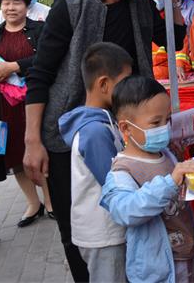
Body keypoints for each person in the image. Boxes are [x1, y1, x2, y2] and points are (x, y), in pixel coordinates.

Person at [23, 0, 186, 282]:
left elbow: (173, 38)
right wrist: (32, 140)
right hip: (73, 134)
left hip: (129, 131)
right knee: (78, 225)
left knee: (133, 215)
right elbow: (41, 73)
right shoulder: (70, 5)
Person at [100, 75, 194, 283]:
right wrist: (170, 182)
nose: (164, 127)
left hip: (184, 256)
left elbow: (179, 208)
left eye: (167, 119)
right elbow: (125, 210)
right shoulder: (122, 170)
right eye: (155, 122)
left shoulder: (165, 154)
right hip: (157, 271)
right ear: (126, 128)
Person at [58, 43, 133, 283]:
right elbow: (113, 180)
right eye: (124, 81)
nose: (128, 88)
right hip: (103, 235)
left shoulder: (103, 121)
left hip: (106, 231)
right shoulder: (94, 132)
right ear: (103, 84)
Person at [0, 0, 53, 226]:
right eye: (6, 3)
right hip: (3, 105)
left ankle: (51, 200)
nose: (11, 8)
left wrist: (13, 66)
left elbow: (46, 58)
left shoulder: (40, 29)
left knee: (41, 149)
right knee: (13, 155)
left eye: (16, 3)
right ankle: (33, 203)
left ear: (26, 5)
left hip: (34, 101)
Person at [142, 0, 190, 81]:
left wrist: (179, 64)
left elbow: (181, 44)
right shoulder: (141, 18)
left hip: (166, 66)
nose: (157, 0)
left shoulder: (174, 18)